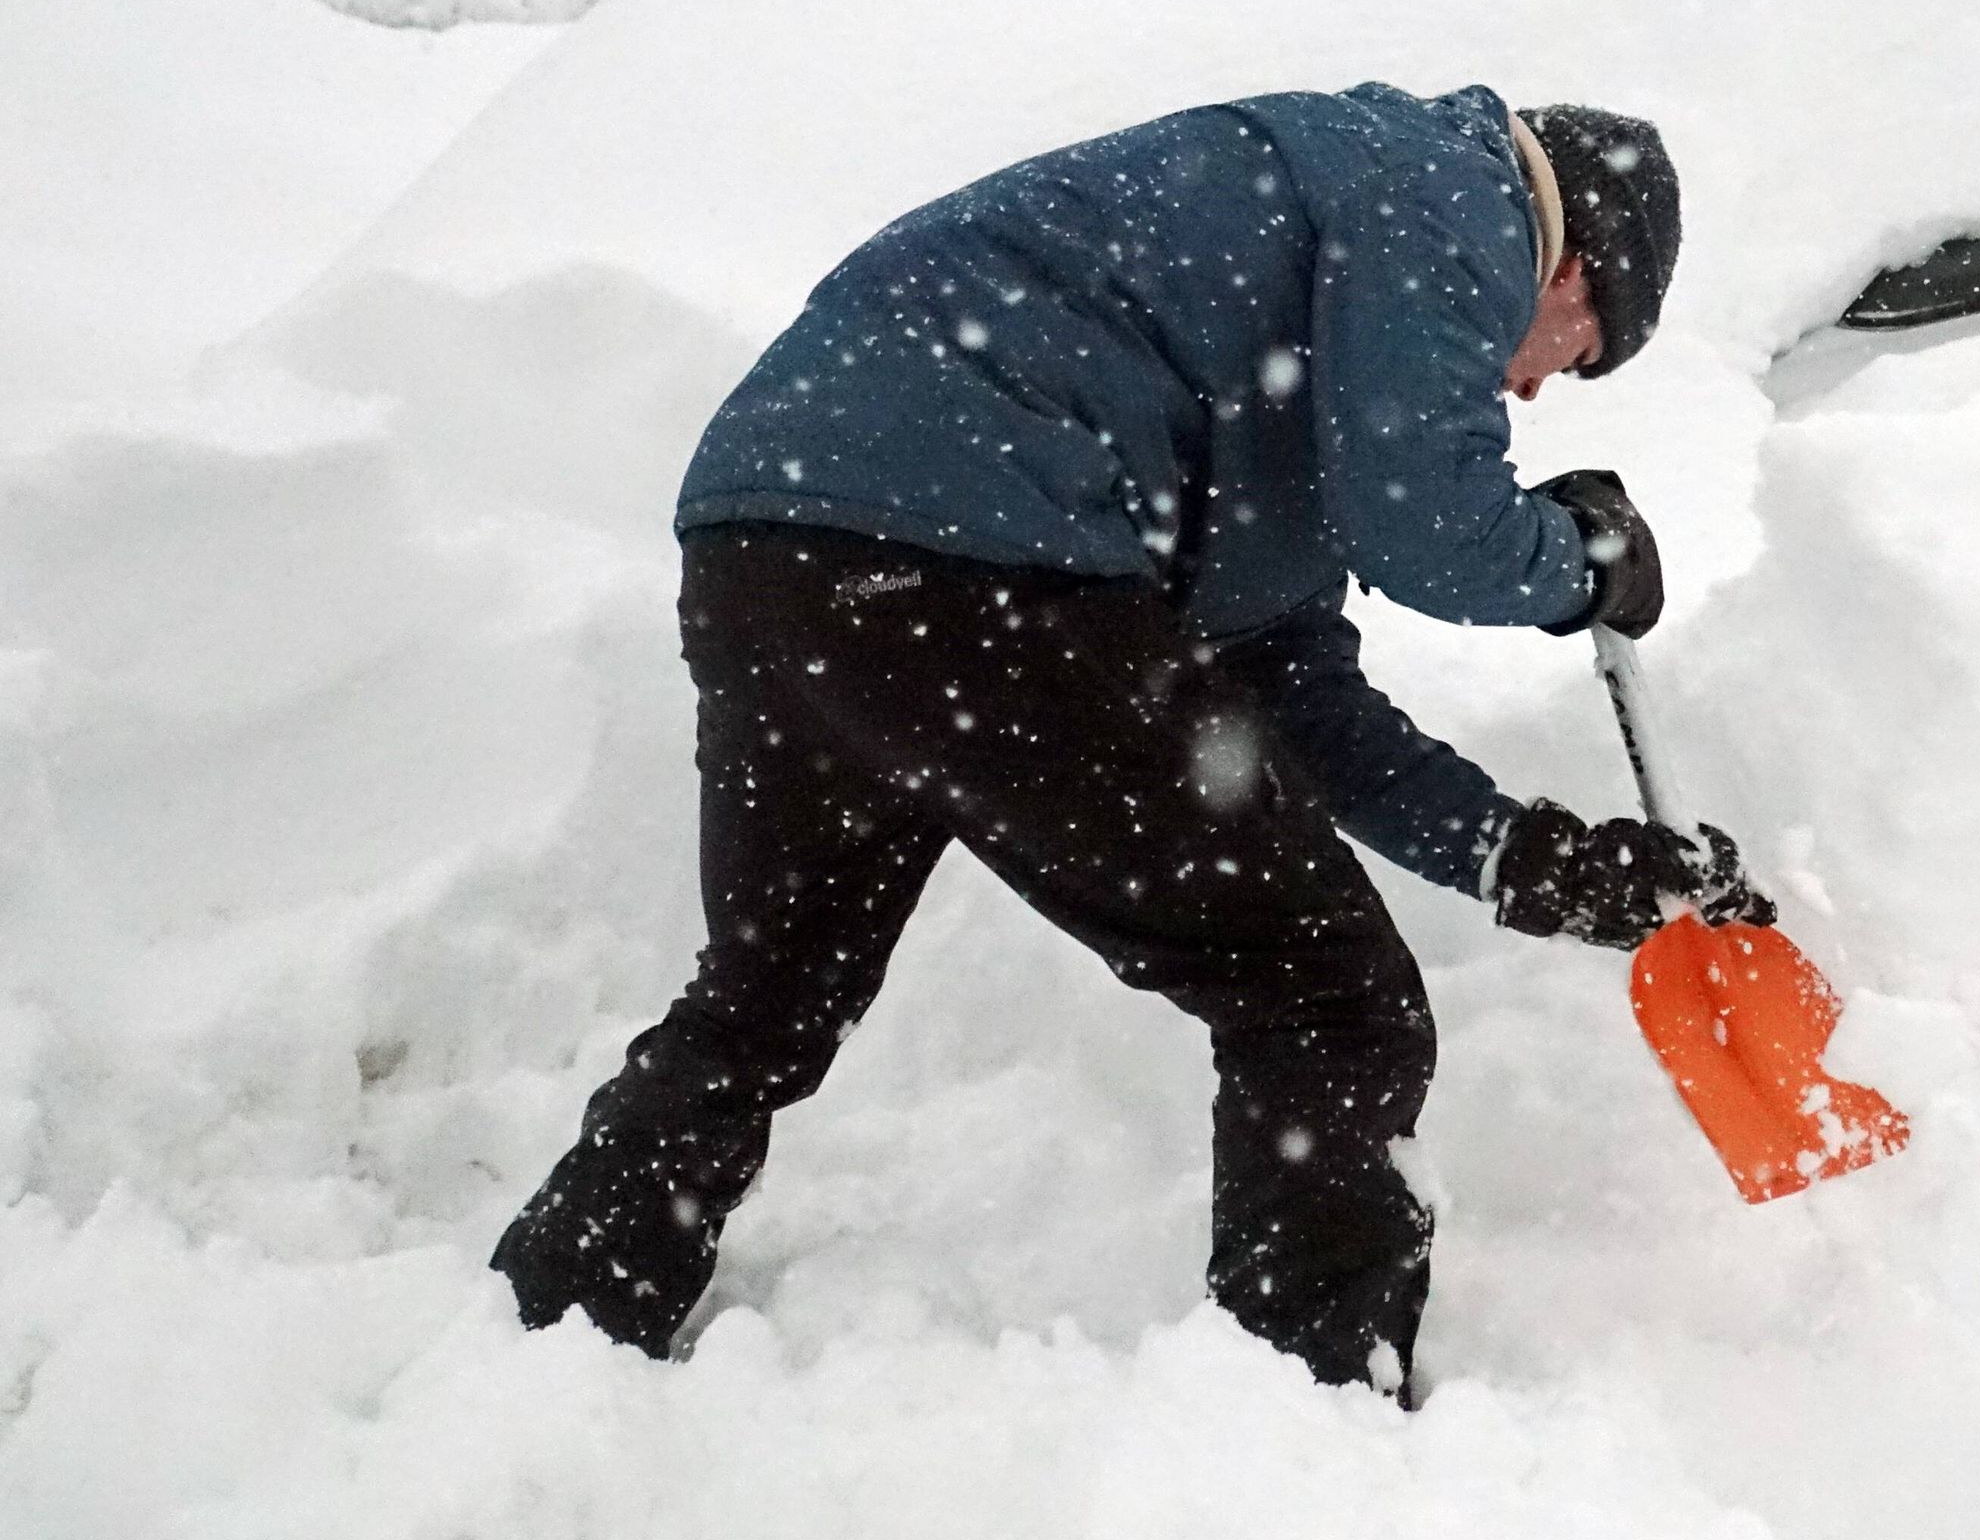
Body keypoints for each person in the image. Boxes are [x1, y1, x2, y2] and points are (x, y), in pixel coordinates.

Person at [491, 82, 1763, 1402]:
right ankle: (1310, 1415)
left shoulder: (1290, 337)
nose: (1537, 386)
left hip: (778, 551)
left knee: (769, 995)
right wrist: (1582, 559)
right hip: (985, 558)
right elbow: (1428, 524)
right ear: (1568, 261)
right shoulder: (1453, 190)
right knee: (1328, 997)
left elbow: (1290, 698)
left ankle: (556, 1324)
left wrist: (1528, 854)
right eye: (1579, 348)